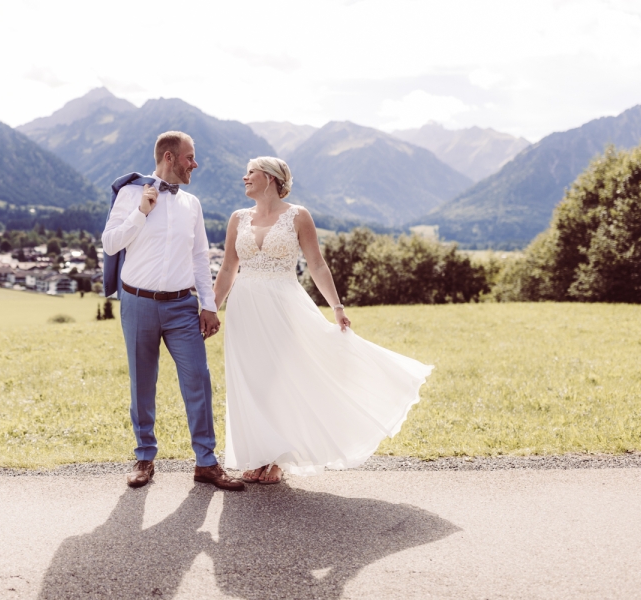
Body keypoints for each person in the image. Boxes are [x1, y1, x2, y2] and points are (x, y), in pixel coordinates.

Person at [213, 157, 433, 484]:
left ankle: (277, 459)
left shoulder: (298, 216)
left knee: (279, 379)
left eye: (251, 172)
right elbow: (229, 268)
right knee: (250, 380)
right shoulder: (237, 218)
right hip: (244, 309)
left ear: (270, 178)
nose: (244, 177)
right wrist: (210, 309)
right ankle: (257, 455)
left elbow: (317, 264)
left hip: (283, 307)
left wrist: (337, 306)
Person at [102, 131, 245, 492]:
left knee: (198, 379)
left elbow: (200, 257)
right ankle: (144, 457)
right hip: (138, 303)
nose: (194, 164)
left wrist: (209, 305)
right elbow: (109, 243)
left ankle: (206, 463)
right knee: (142, 382)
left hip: (182, 306)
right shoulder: (130, 194)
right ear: (169, 157)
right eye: (189, 158)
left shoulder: (191, 204)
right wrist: (140, 213)